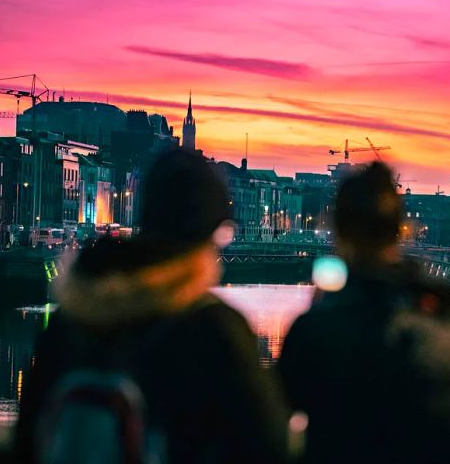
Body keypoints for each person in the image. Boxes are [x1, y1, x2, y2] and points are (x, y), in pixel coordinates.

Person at [17, 150, 289, 464]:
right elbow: (267, 444)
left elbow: (30, 438)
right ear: (208, 236)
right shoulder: (216, 331)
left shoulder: (71, 320)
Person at [278, 163, 450, 464]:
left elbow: (268, 422)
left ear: (339, 233)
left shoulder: (318, 329)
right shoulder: (443, 314)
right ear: (398, 231)